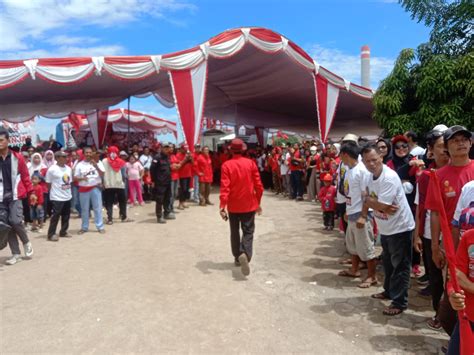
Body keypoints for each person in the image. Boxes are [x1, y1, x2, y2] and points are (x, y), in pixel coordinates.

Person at [427, 125, 474, 336]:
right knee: (454, 296)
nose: (461, 143)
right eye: (455, 140)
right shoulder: (438, 175)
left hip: (471, 248)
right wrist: (436, 247)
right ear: (446, 147)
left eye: (465, 139)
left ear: (471, 143)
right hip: (452, 248)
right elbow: (436, 213)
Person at [361, 144, 415, 316]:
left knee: (400, 266)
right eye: (367, 161)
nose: (371, 164)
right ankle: (389, 291)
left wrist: (370, 201)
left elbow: (382, 205)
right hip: (385, 227)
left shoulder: (389, 177)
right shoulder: (369, 177)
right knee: (388, 263)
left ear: (381, 158)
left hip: (400, 227)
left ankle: (399, 302)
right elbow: (375, 203)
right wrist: (374, 203)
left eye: (374, 160)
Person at [413, 128, 450, 329]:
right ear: (431, 150)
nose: (444, 151)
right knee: (435, 278)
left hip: (453, 235)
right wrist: (417, 235)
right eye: (440, 147)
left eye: (446, 146)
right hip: (429, 234)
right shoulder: (426, 176)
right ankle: (439, 313)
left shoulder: (464, 171)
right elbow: (420, 206)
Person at [220, 139, 263, 276]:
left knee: (234, 231)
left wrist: (222, 206)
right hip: (249, 204)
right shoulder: (250, 163)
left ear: (230, 150)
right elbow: (259, 186)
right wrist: (258, 202)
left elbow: (224, 187)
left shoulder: (226, 165)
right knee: (248, 231)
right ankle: (245, 253)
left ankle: (237, 256)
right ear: (243, 149)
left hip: (233, 206)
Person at [337, 141, 377, 289]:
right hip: (352, 212)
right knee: (353, 246)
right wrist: (348, 212)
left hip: (362, 214)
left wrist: (363, 215)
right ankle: (354, 270)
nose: (340, 158)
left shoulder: (362, 171)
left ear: (345, 154)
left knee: (366, 247)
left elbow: (366, 196)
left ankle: (372, 276)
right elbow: (350, 194)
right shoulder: (349, 170)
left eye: (340, 155)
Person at [0, 128, 34, 265]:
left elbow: (26, 176)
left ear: (8, 141)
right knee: (5, 226)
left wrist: (31, 192)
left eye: (1, 140)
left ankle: (26, 241)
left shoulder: (17, 157)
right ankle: (16, 254)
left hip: (15, 195)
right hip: (1, 198)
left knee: (15, 221)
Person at [446, 229, 474, 355]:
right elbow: (455, 277)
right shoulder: (469, 237)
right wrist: (453, 294)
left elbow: (462, 279)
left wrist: (469, 286)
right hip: (467, 320)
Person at [73, 146, 105, 234]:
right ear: (83, 154)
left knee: (97, 208)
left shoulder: (98, 162)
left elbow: (102, 174)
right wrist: (82, 178)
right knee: (84, 209)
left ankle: (100, 226)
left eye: (90, 152)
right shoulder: (79, 164)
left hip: (95, 188)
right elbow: (75, 178)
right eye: (86, 152)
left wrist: (96, 166)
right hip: (84, 189)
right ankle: (84, 227)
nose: (88, 154)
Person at [45, 151, 73, 241]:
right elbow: (48, 183)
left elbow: (70, 182)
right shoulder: (52, 169)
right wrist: (54, 192)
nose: (66, 158)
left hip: (67, 196)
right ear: (57, 158)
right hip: (57, 197)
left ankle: (63, 231)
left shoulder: (68, 168)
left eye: (66, 156)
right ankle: (51, 234)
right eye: (63, 156)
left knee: (66, 215)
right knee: (55, 216)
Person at [102, 146, 130, 225]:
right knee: (122, 201)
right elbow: (124, 175)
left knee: (109, 202)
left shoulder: (104, 161)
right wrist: (123, 182)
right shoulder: (121, 161)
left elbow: (102, 172)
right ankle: (123, 217)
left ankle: (110, 219)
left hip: (108, 185)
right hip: (119, 185)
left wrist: (103, 182)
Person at [150, 142, 174, 224]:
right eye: (165, 148)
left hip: (167, 182)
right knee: (159, 200)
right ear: (161, 148)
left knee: (167, 198)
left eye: (167, 148)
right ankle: (159, 216)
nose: (167, 149)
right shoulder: (157, 157)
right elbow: (152, 170)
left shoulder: (167, 157)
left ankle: (166, 213)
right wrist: (153, 181)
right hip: (160, 183)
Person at [176, 144, 193, 210]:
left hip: (188, 174)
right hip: (182, 175)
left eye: (186, 149)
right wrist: (185, 159)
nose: (185, 150)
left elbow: (192, 163)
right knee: (183, 189)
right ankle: (180, 203)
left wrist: (191, 158)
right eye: (184, 149)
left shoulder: (188, 155)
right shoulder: (178, 155)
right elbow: (179, 164)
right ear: (181, 149)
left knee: (186, 189)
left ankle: (184, 202)